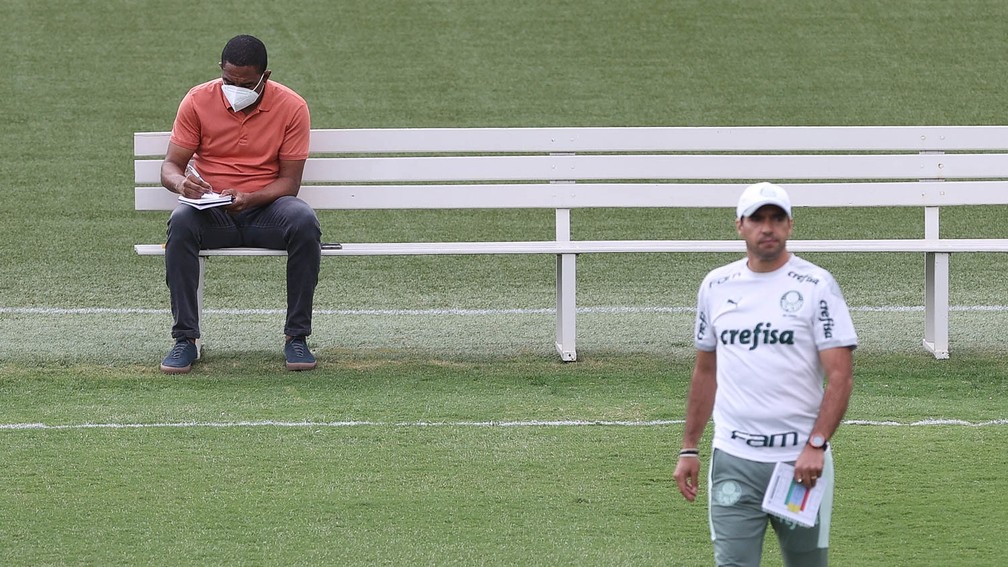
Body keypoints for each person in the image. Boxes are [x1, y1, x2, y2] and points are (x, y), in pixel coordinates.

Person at [673, 182, 858, 566]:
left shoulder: (817, 287)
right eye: (757, 218)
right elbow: (706, 371)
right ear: (739, 226)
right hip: (733, 462)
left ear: (790, 225)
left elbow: (840, 375)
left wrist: (816, 444)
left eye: (776, 218)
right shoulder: (715, 286)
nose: (767, 227)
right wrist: (689, 446)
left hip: (799, 465)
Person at [158, 35, 321, 374]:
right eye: (229, 81)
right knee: (181, 222)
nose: (235, 89)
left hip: (267, 212)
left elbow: (289, 183)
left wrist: (251, 198)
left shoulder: (291, 107)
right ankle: (185, 340)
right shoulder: (198, 100)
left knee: (304, 220)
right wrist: (182, 183)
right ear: (221, 70)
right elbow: (170, 167)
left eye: (246, 84)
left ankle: (297, 337)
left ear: (266, 76)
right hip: (212, 211)